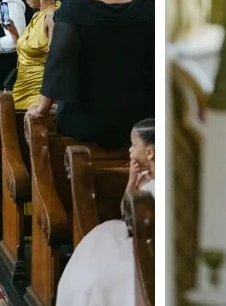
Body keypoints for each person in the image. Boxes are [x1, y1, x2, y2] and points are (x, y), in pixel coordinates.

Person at [30, 0, 155, 150]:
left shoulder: (75, 9)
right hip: (138, 118)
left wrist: (43, 107)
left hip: (87, 118)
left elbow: (60, 59)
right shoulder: (145, 9)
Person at [54, 119, 155, 306]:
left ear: (150, 152)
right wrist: (131, 181)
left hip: (150, 245)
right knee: (93, 266)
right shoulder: (142, 178)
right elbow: (125, 211)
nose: (129, 150)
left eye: (134, 146)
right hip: (132, 235)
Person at [11, 0, 60, 112]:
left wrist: (46, 104)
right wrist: (13, 31)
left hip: (40, 93)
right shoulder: (36, 15)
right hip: (21, 87)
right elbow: (24, 52)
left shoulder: (53, 16)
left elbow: (56, 61)